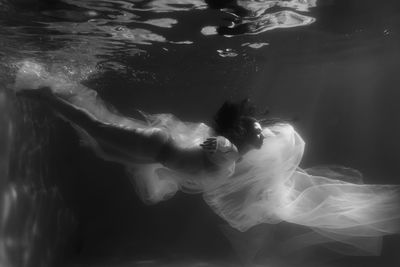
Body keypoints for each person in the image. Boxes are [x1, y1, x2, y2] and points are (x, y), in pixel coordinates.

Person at [14, 60, 400, 257]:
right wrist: (224, 144)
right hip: (154, 145)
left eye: (259, 130)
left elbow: (243, 157)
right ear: (238, 136)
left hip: (157, 154)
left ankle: (51, 93)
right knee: (96, 128)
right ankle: (43, 94)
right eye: (255, 130)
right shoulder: (228, 151)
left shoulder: (238, 157)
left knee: (100, 142)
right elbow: (220, 147)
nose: (263, 133)